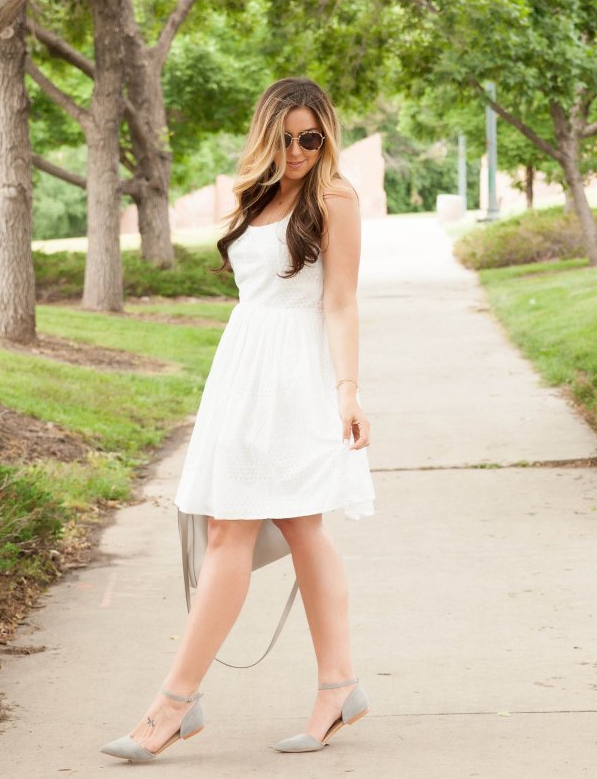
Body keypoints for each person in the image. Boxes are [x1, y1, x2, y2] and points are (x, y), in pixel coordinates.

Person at [100, 76, 376, 762]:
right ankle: (337, 686)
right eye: (285, 139)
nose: (299, 151)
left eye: (311, 138)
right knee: (260, 526)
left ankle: (175, 704)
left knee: (266, 526)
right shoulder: (254, 196)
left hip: (299, 379)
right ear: (265, 136)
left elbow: (340, 302)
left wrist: (349, 390)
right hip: (243, 376)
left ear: (327, 136)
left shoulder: (336, 198)